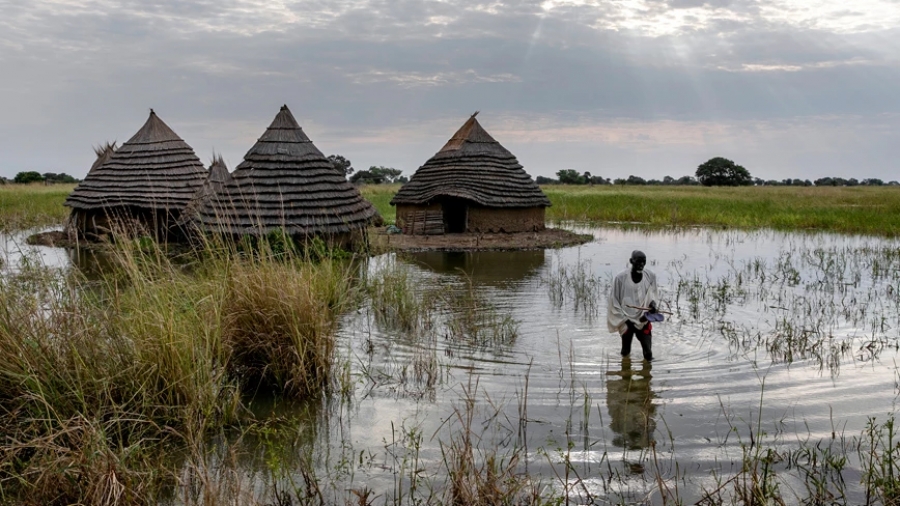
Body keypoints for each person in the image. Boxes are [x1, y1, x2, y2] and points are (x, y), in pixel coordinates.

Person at [607, 250, 658, 361]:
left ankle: (647, 376)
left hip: (643, 319)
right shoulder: (620, 278)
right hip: (626, 320)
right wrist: (626, 320)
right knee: (625, 352)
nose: (641, 265)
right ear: (631, 261)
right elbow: (614, 302)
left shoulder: (650, 276)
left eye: (643, 262)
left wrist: (653, 305)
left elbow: (653, 295)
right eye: (638, 261)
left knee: (648, 354)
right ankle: (625, 375)